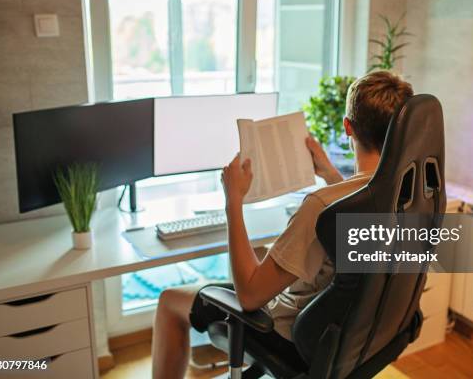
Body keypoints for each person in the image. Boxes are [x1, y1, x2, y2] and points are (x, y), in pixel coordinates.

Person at [152, 71, 414, 378]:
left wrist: (233, 202)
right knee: (267, 257)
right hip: (359, 338)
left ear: (347, 127)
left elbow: (250, 296)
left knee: (170, 301)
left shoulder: (319, 206)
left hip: (292, 336)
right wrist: (331, 175)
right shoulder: (409, 193)